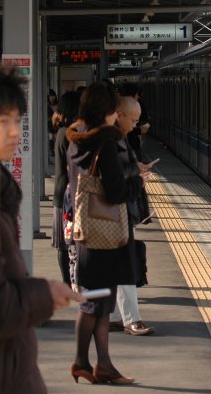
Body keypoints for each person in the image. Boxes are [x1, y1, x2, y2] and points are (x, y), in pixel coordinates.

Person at [0, 67, 83, 394]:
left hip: (9, 368)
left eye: (17, 120)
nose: (14, 132)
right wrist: (44, 295)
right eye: (3, 121)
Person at [65, 81, 143, 384]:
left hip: (88, 231)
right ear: (105, 111)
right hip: (107, 234)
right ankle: (81, 361)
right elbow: (116, 191)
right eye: (113, 110)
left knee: (99, 303)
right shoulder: (106, 143)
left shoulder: (76, 140)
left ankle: (102, 364)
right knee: (94, 304)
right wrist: (137, 183)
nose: (115, 116)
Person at [108, 95, 155, 336]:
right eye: (133, 120)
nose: (136, 125)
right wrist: (137, 177)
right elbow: (113, 178)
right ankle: (131, 319)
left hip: (117, 211)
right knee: (124, 265)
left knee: (115, 265)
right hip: (115, 211)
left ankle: (114, 316)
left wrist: (135, 170)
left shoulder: (119, 137)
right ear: (119, 115)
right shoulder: (109, 140)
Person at [51, 90, 81, 285]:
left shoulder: (62, 131)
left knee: (64, 243)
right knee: (66, 243)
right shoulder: (68, 133)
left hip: (62, 194)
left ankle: (68, 283)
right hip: (67, 197)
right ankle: (68, 284)